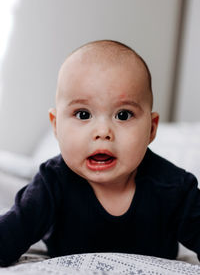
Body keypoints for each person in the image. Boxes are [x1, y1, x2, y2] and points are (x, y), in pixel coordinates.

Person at [0, 40, 200, 267]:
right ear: (56, 126)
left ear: (151, 129)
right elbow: (12, 232)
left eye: (123, 115)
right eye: (83, 114)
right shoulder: (51, 182)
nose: (103, 132)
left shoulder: (175, 188)